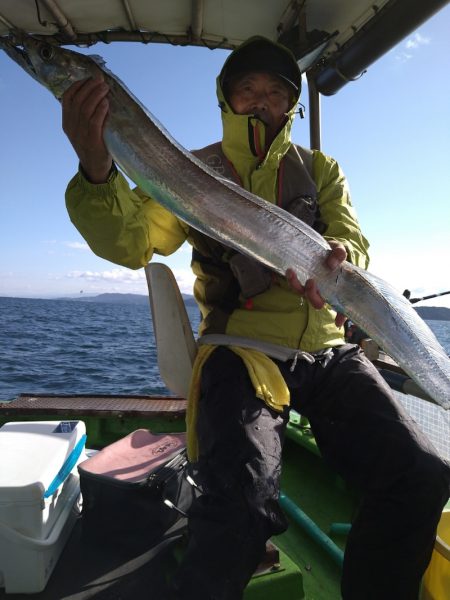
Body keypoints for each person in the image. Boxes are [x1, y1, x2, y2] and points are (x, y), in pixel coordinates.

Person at [62, 37, 449, 600]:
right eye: (248, 90)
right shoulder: (189, 171)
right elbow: (132, 241)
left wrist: (338, 255)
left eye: (275, 92)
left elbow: (354, 243)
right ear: (226, 98)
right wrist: (98, 170)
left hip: (327, 350)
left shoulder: (320, 170)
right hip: (240, 350)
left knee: (419, 476)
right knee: (239, 506)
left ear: (290, 104)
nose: (261, 101)